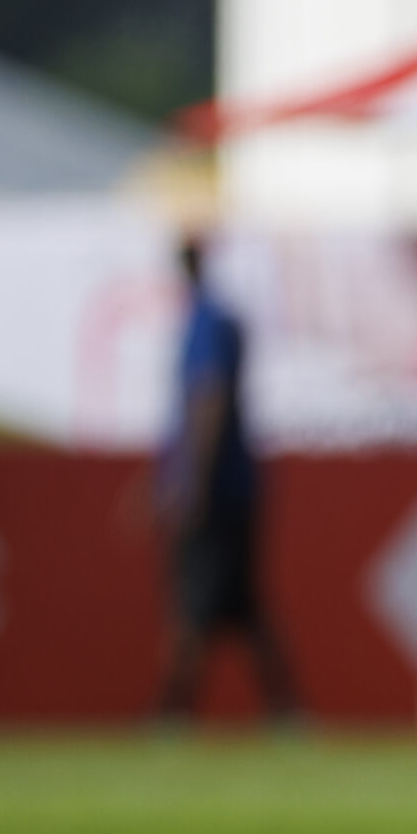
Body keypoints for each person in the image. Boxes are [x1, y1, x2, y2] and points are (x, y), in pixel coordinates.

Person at [156, 240, 296, 720]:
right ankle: (286, 712)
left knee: (193, 607)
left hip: (217, 491)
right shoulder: (217, 317)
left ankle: (174, 712)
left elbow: (208, 397)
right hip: (233, 487)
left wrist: (191, 479)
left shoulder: (207, 320)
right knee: (245, 608)